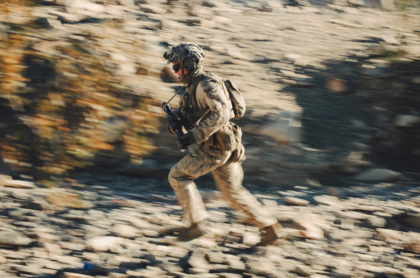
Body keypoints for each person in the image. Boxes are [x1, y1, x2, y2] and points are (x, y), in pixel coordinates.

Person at [162, 43, 285, 245]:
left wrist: (194, 135)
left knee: (178, 176)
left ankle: (198, 223)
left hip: (214, 147)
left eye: (177, 67)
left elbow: (223, 113)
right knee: (232, 192)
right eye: (173, 68)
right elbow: (196, 114)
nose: (175, 72)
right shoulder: (193, 86)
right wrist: (176, 122)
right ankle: (270, 228)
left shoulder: (206, 84)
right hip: (224, 145)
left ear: (190, 63)